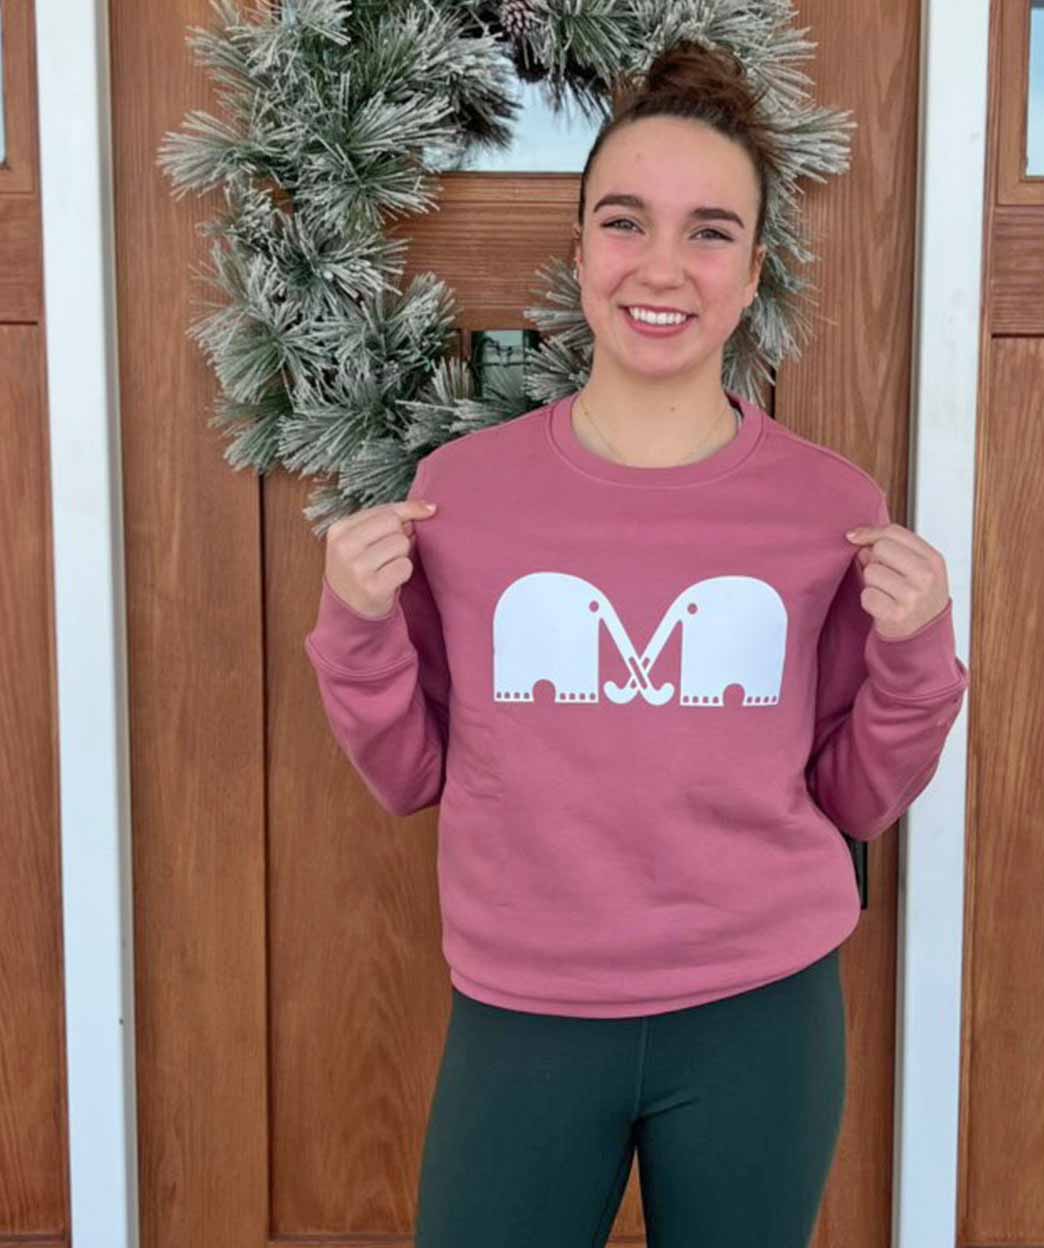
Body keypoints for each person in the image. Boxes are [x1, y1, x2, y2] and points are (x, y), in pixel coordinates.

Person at [304, 39, 968, 1248]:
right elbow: (408, 775)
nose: (663, 265)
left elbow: (857, 795)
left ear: (754, 268)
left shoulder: (828, 508)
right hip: (523, 1010)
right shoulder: (466, 494)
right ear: (580, 252)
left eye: (710, 230)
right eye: (626, 221)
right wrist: (355, 627)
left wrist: (919, 655)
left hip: (761, 1012)